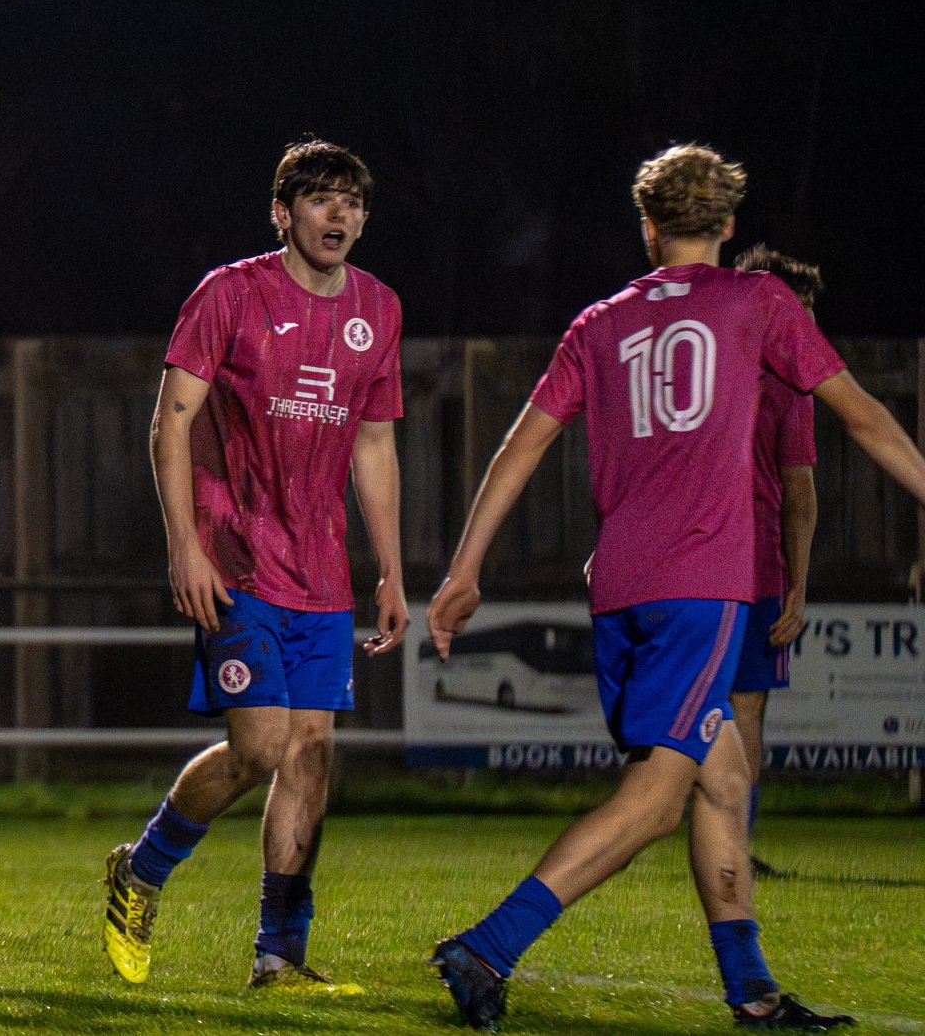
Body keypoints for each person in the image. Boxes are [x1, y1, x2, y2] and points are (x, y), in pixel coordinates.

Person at [424, 145, 920, 1031]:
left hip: (619, 586)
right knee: (656, 799)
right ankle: (488, 946)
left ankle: (754, 992)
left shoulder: (598, 322)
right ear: (729, 225)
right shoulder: (760, 301)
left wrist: (466, 568)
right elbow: (865, 416)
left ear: (647, 226)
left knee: (722, 781)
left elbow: (519, 447)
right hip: (703, 584)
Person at [103, 139, 409, 992]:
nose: (339, 214)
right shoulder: (230, 293)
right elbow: (170, 420)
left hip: (322, 571)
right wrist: (183, 544)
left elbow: (376, 443)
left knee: (311, 751)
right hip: (232, 557)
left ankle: (280, 955)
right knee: (262, 744)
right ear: (283, 212)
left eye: (352, 200)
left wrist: (389, 567)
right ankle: (143, 868)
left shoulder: (379, 309)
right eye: (320, 199)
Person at [728, 246, 824, 880]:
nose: (807, 328)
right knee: (745, 712)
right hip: (754, 566)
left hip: (683, 562)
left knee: (693, 713)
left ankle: (721, 843)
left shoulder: (702, 367)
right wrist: (797, 588)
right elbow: (800, 492)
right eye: (801, 312)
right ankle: (729, 850)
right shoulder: (790, 386)